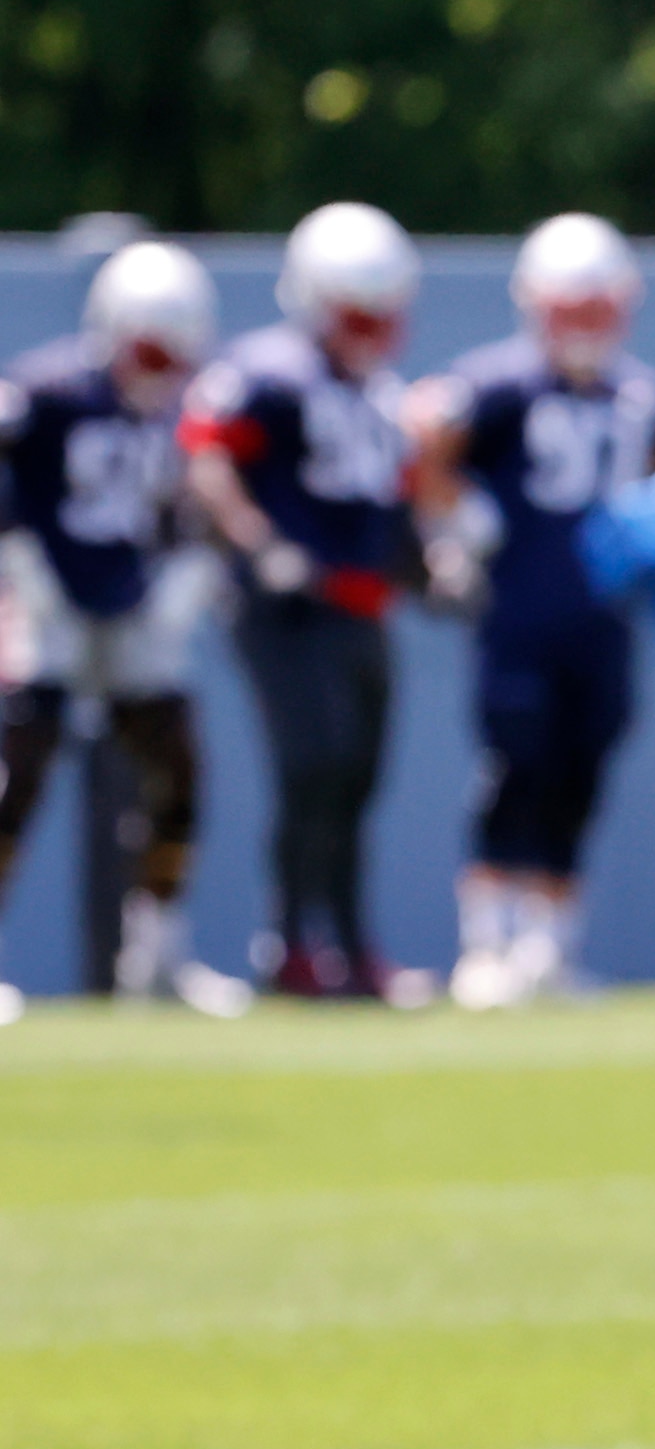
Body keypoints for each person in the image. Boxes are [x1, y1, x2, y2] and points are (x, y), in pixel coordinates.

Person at [408, 215, 655, 1009]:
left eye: (598, 309)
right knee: (514, 768)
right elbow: (424, 424)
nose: (586, 326)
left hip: (601, 625)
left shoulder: (639, 393)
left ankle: (550, 949)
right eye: (573, 309)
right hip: (520, 620)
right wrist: (453, 519)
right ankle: (487, 946)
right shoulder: (500, 382)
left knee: (580, 777)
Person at [0, 239, 248, 1014]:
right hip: (49, 606)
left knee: (178, 765)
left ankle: (158, 951)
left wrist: (187, 574)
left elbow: (191, 500)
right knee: (18, 775)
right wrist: (18, 567)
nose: (162, 370)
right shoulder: (46, 391)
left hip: (132, 606)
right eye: (150, 350)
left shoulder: (184, 404)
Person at [182, 201, 422, 1001]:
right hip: (286, 609)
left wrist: (431, 566)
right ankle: (289, 947)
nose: (374, 328)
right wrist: (260, 546)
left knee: (356, 779)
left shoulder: (381, 392)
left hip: (361, 607)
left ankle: (351, 951)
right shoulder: (268, 371)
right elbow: (210, 466)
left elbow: (391, 500)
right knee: (313, 768)